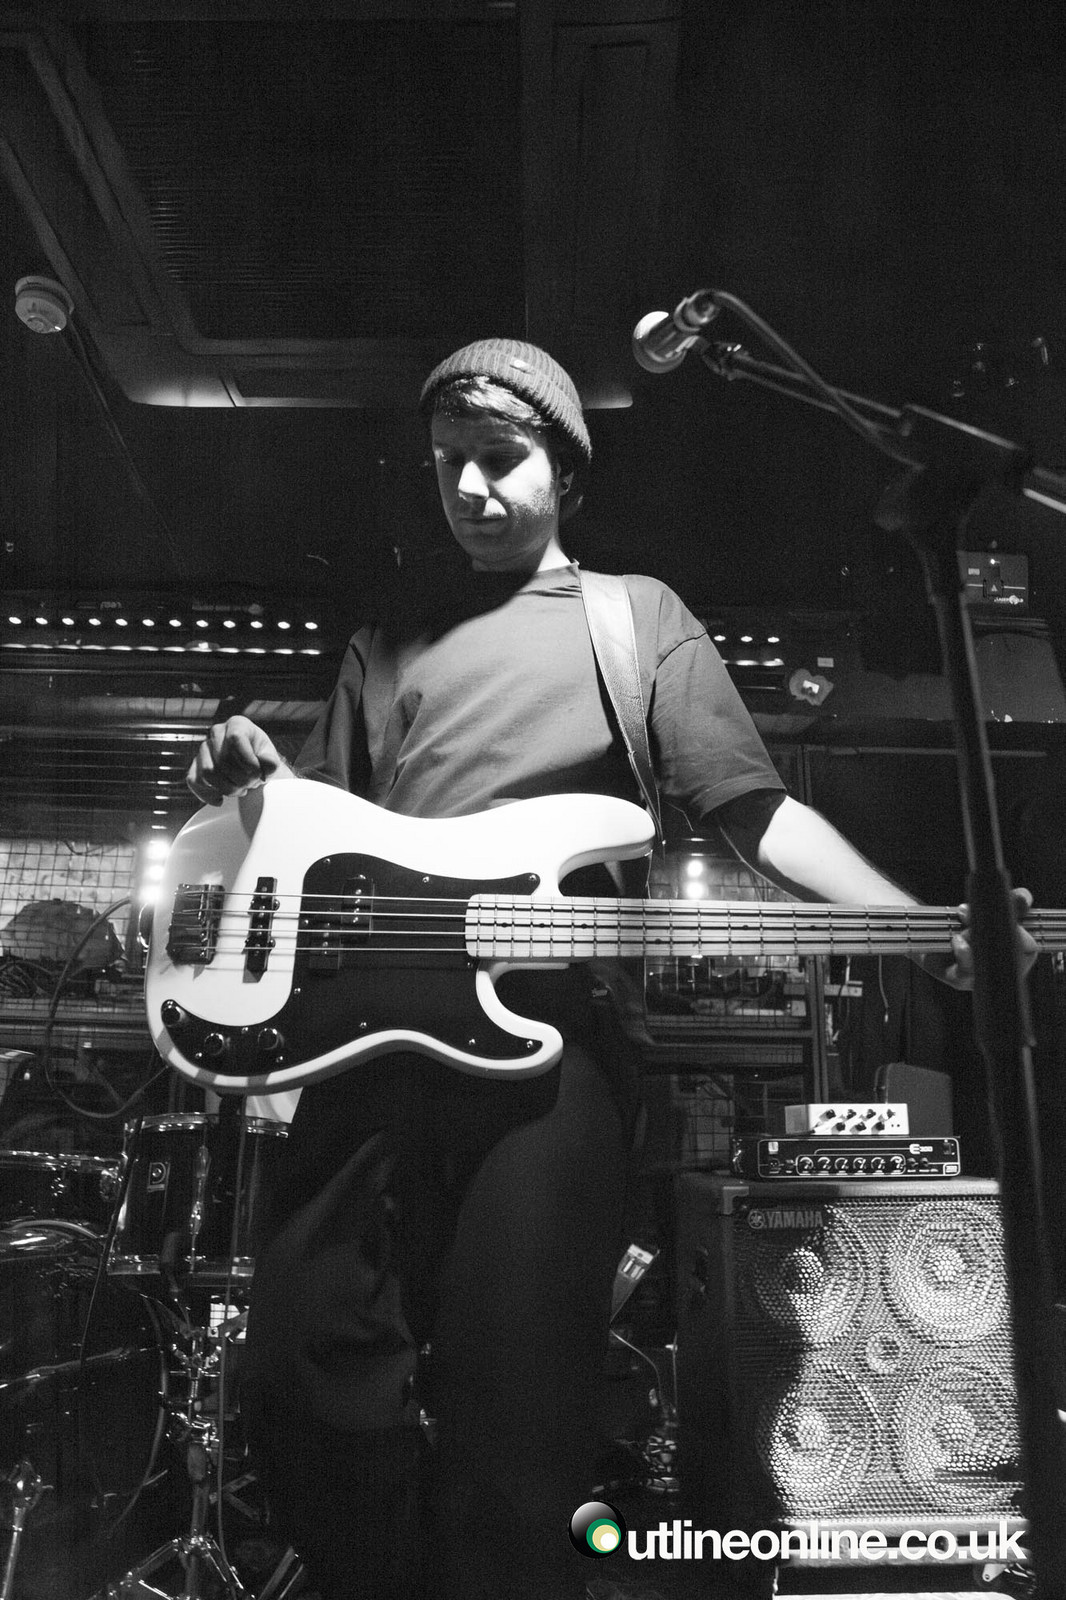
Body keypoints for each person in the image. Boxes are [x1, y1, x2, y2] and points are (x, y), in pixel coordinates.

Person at [185, 339, 1030, 1600]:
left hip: (549, 1051)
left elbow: (757, 812)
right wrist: (243, 780)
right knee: (294, 1364)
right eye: (447, 464)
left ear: (567, 472)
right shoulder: (387, 640)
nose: (469, 488)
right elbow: (314, 838)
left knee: (517, 1423)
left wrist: (918, 925)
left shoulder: (632, 619)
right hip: (370, 1046)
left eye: (498, 458)